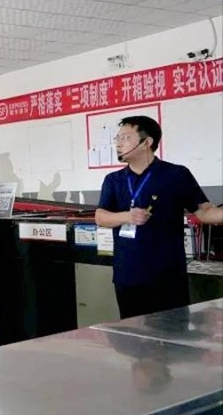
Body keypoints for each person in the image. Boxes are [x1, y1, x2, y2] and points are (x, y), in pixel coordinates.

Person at [95, 116, 223, 319]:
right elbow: (100, 217)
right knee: (132, 335)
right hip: (128, 276)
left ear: (147, 142)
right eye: (117, 138)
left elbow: (205, 212)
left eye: (125, 137)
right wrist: (127, 216)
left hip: (168, 277)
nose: (118, 144)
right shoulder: (113, 180)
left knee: (173, 332)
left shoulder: (176, 175)